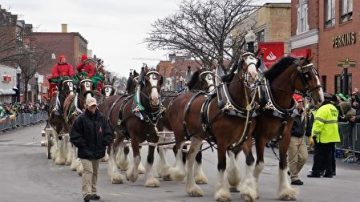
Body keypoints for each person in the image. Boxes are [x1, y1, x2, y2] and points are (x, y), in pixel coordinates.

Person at [70, 97, 113, 202]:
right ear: (86, 106)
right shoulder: (80, 119)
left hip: (98, 150)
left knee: (95, 172)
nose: (93, 108)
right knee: (88, 171)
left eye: (94, 105)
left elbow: (108, 132)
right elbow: (74, 135)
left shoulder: (102, 118)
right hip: (85, 151)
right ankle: (86, 193)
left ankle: (93, 192)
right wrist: (82, 144)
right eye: (91, 106)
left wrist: (105, 142)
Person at [308, 93, 340, 178]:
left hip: (323, 136)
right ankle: (329, 172)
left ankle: (316, 172)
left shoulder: (322, 109)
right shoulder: (334, 108)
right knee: (328, 155)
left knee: (318, 155)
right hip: (332, 135)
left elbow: (319, 123)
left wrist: (314, 134)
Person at [288, 94, 311, 185]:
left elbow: (307, 124)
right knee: (293, 159)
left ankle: (292, 171)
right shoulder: (291, 113)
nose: (301, 103)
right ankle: (294, 177)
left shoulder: (304, 113)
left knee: (304, 157)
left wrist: (309, 135)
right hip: (292, 137)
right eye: (299, 101)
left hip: (301, 137)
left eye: (302, 101)